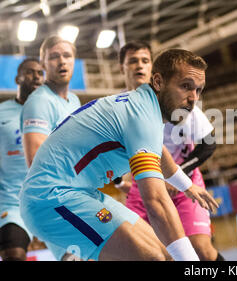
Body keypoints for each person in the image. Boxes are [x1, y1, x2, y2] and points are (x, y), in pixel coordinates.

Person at [19, 49, 218, 261]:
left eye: (198, 90)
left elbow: (158, 151)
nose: (193, 99)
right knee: (153, 258)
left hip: (80, 193)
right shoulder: (143, 117)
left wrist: (186, 185)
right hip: (50, 198)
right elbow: (156, 201)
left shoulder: (143, 106)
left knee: (166, 255)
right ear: (158, 82)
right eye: (186, 86)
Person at [116, 41, 224, 261]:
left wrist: (178, 180)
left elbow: (209, 143)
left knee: (199, 248)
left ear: (153, 70)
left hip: (182, 179)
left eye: (145, 60)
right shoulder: (121, 106)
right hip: (147, 182)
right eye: (133, 61)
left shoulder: (178, 97)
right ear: (122, 68)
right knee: (145, 252)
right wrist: (119, 183)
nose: (139, 65)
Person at [19, 35, 82, 261]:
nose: (62, 61)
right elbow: (36, 163)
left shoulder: (74, 101)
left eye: (67, 56)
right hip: (56, 201)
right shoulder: (39, 102)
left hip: (79, 194)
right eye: (54, 57)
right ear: (44, 64)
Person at [0, 58, 44, 261]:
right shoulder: (2, 112)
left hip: (47, 198)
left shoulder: (50, 112)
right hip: (11, 201)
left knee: (75, 255)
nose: (36, 76)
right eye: (30, 72)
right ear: (18, 78)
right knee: (13, 254)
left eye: (40, 73)